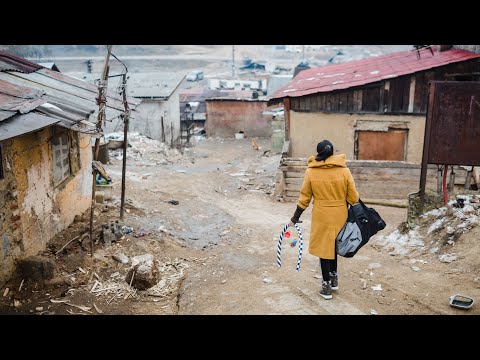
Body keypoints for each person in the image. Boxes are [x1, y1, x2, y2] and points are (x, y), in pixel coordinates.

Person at [289, 140, 359, 300]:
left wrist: (295, 217)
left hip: (321, 215)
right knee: (334, 246)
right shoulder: (344, 171)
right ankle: (334, 279)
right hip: (340, 213)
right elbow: (353, 197)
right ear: (333, 152)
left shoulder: (311, 172)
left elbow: (305, 198)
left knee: (323, 249)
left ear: (318, 153)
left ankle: (326, 285)